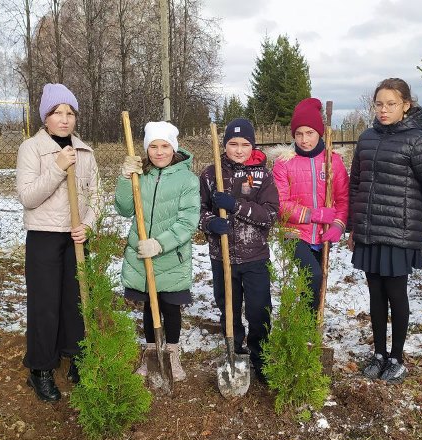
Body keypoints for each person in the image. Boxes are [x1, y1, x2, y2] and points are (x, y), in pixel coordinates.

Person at [348, 78, 422, 384]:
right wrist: (353, 226)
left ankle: (397, 357)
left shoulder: (417, 141)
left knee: (395, 294)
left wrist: (414, 216)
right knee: (375, 295)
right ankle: (379, 353)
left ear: (406, 105)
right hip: (369, 231)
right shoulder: (366, 139)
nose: (384, 110)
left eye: (391, 103)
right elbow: (356, 184)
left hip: (399, 234)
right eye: (379, 104)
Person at [16, 83, 102, 402]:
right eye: (57, 113)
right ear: (45, 118)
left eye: (70, 113)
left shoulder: (85, 152)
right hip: (44, 237)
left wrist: (88, 225)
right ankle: (40, 369)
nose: (64, 119)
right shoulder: (32, 149)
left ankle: (75, 356)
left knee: (75, 302)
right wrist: (56, 167)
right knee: (45, 306)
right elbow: (28, 197)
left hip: (75, 238)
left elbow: (96, 196)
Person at [116, 121, 200, 382]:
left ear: (173, 148)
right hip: (143, 256)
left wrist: (160, 243)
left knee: (171, 306)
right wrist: (124, 178)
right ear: (147, 149)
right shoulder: (142, 176)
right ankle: (152, 352)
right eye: (153, 146)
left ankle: (172, 352)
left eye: (165, 146)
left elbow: (188, 222)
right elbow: (124, 208)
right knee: (150, 305)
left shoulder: (187, 179)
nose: (159, 152)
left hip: (170, 255)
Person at [200, 118, 280, 383]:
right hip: (221, 257)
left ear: (252, 146)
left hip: (254, 256)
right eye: (233, 144)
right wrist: (211, 222)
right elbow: (197, 211)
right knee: (228, 307)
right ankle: (234, 349)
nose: (239, 150)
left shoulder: (263, 176)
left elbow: (269, 214)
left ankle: (260, 353)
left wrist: (235, 206)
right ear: (224, 145)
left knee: (259, 309)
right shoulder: (211, 174)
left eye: (245, 144)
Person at [272, 97, 349, 312]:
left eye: (310, 133)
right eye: (299, 134)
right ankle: (303, 325)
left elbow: (343, 198)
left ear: (319, 133)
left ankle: (309, 328)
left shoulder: (333, 161)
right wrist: (313, 214)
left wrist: (338, 224)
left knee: (317, 280)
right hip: (294, 232)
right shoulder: (284, 163)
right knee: (313, 275)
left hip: (324, 232)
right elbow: (280, 203)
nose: (304, 139)